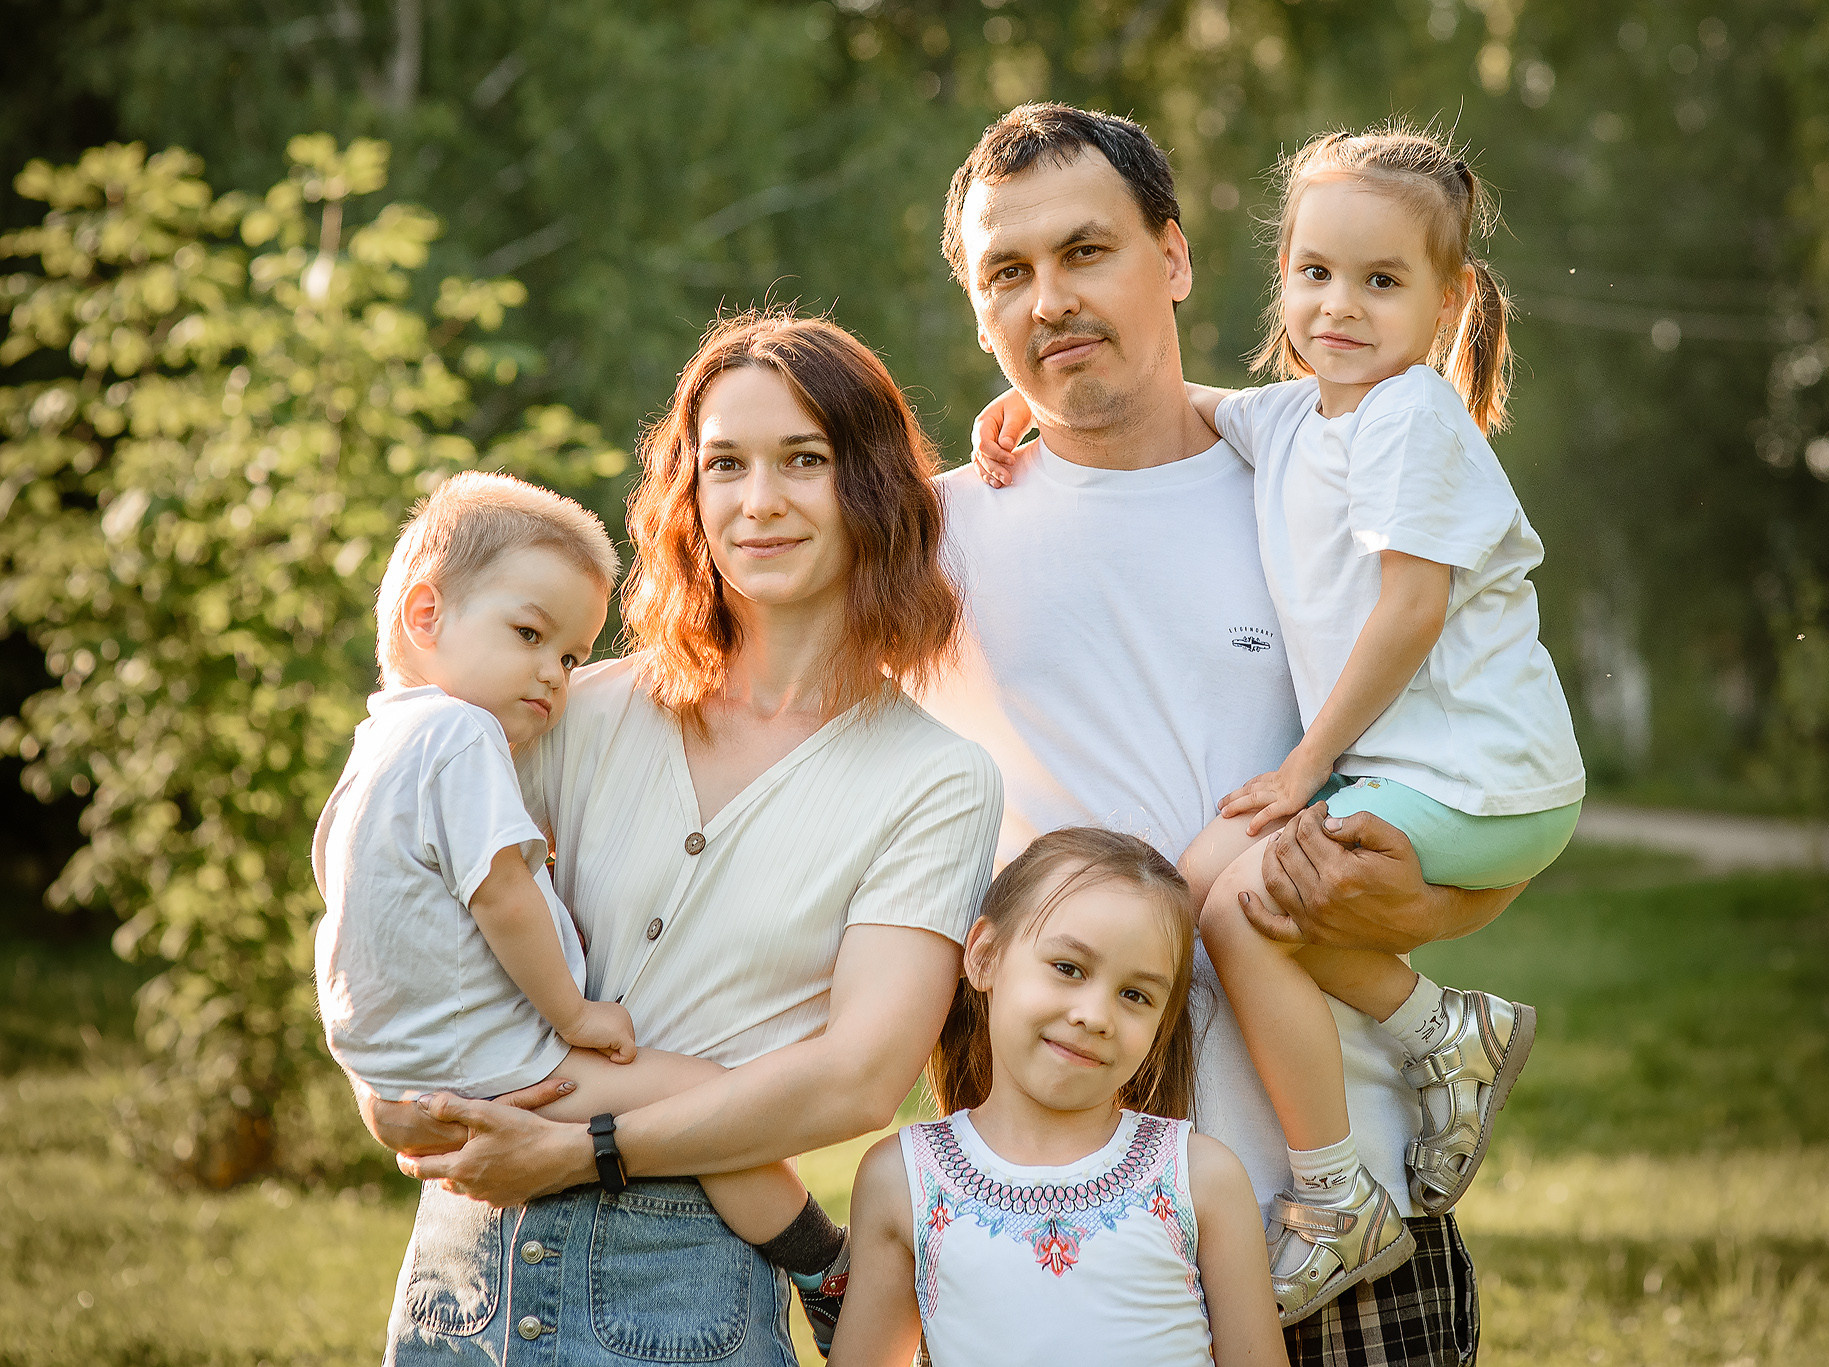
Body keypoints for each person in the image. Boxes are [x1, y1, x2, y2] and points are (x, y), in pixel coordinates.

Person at [917, 104, 1523, 1366]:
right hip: (1072, 1230)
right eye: (1007, 274)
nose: (1050, 300)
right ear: (978, 312)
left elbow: (1490, 788)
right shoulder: (930, 546)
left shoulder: (1330, 475)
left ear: (1175, 258)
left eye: (1087, 252)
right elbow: (728, 676)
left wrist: (1416, 905)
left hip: (1347, 1206)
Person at [351, 310, 1003, 1365]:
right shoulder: (575, 711)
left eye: (804, 459)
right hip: (467, 1267)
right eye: (724, 465)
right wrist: (393, 1087)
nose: (759, 501)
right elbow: (397, 887)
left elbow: (854, 1079)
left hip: (683, 1279)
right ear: (688, 497)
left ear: (872, 483)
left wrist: (579, 1148)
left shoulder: (933, 777)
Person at [312, 470, 852, 1325]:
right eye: (528, 634)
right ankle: (827, 1271)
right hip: (503, 1062)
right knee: (712, 1098)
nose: (554, 675)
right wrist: (575, 1015)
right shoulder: (461, 736)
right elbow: (505, 897)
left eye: (569, 655)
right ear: (426, 616)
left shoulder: (378, 750)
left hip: (407, 1073)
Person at [831, 828, 1286, 1367]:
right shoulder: (903, 1179)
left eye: (1135, 995)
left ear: (1161, 1024)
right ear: (984, 956)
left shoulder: (1202, 1178)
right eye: (1068, 968)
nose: (1094, 1016)